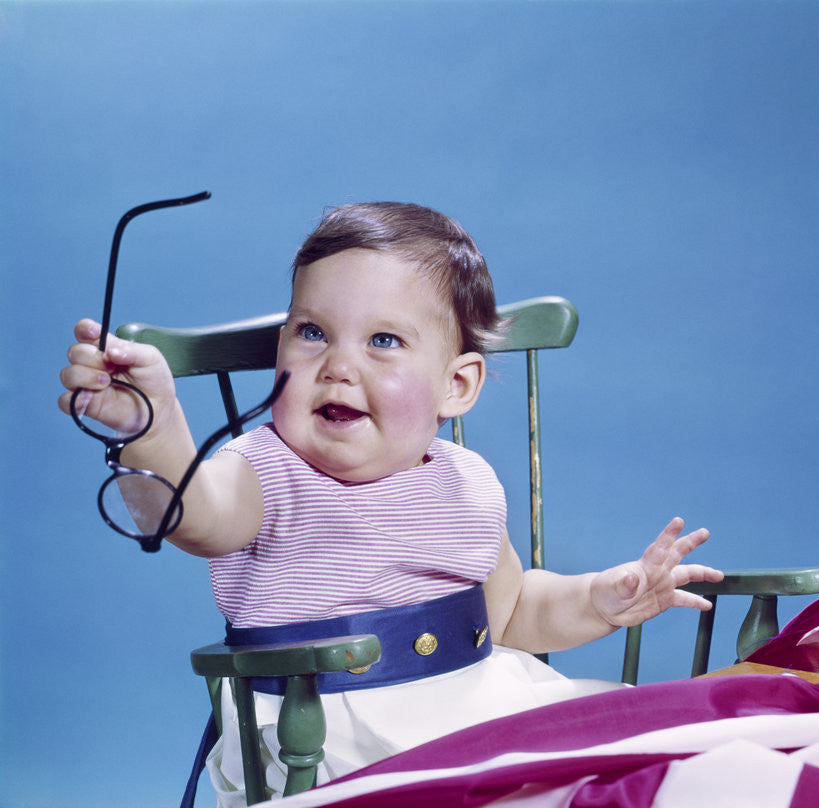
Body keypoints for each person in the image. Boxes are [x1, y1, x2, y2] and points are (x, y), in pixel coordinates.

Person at [58, 201, 724, 805]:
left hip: (473, 705)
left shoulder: (465, 481)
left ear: (457, 386)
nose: (339, 365)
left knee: (663, 747)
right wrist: (153, 425)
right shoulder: (264, 470)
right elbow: (197, 514)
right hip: (334, 739)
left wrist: (601, 598)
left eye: (383, 341)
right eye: (313, 332)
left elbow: (513, 610)